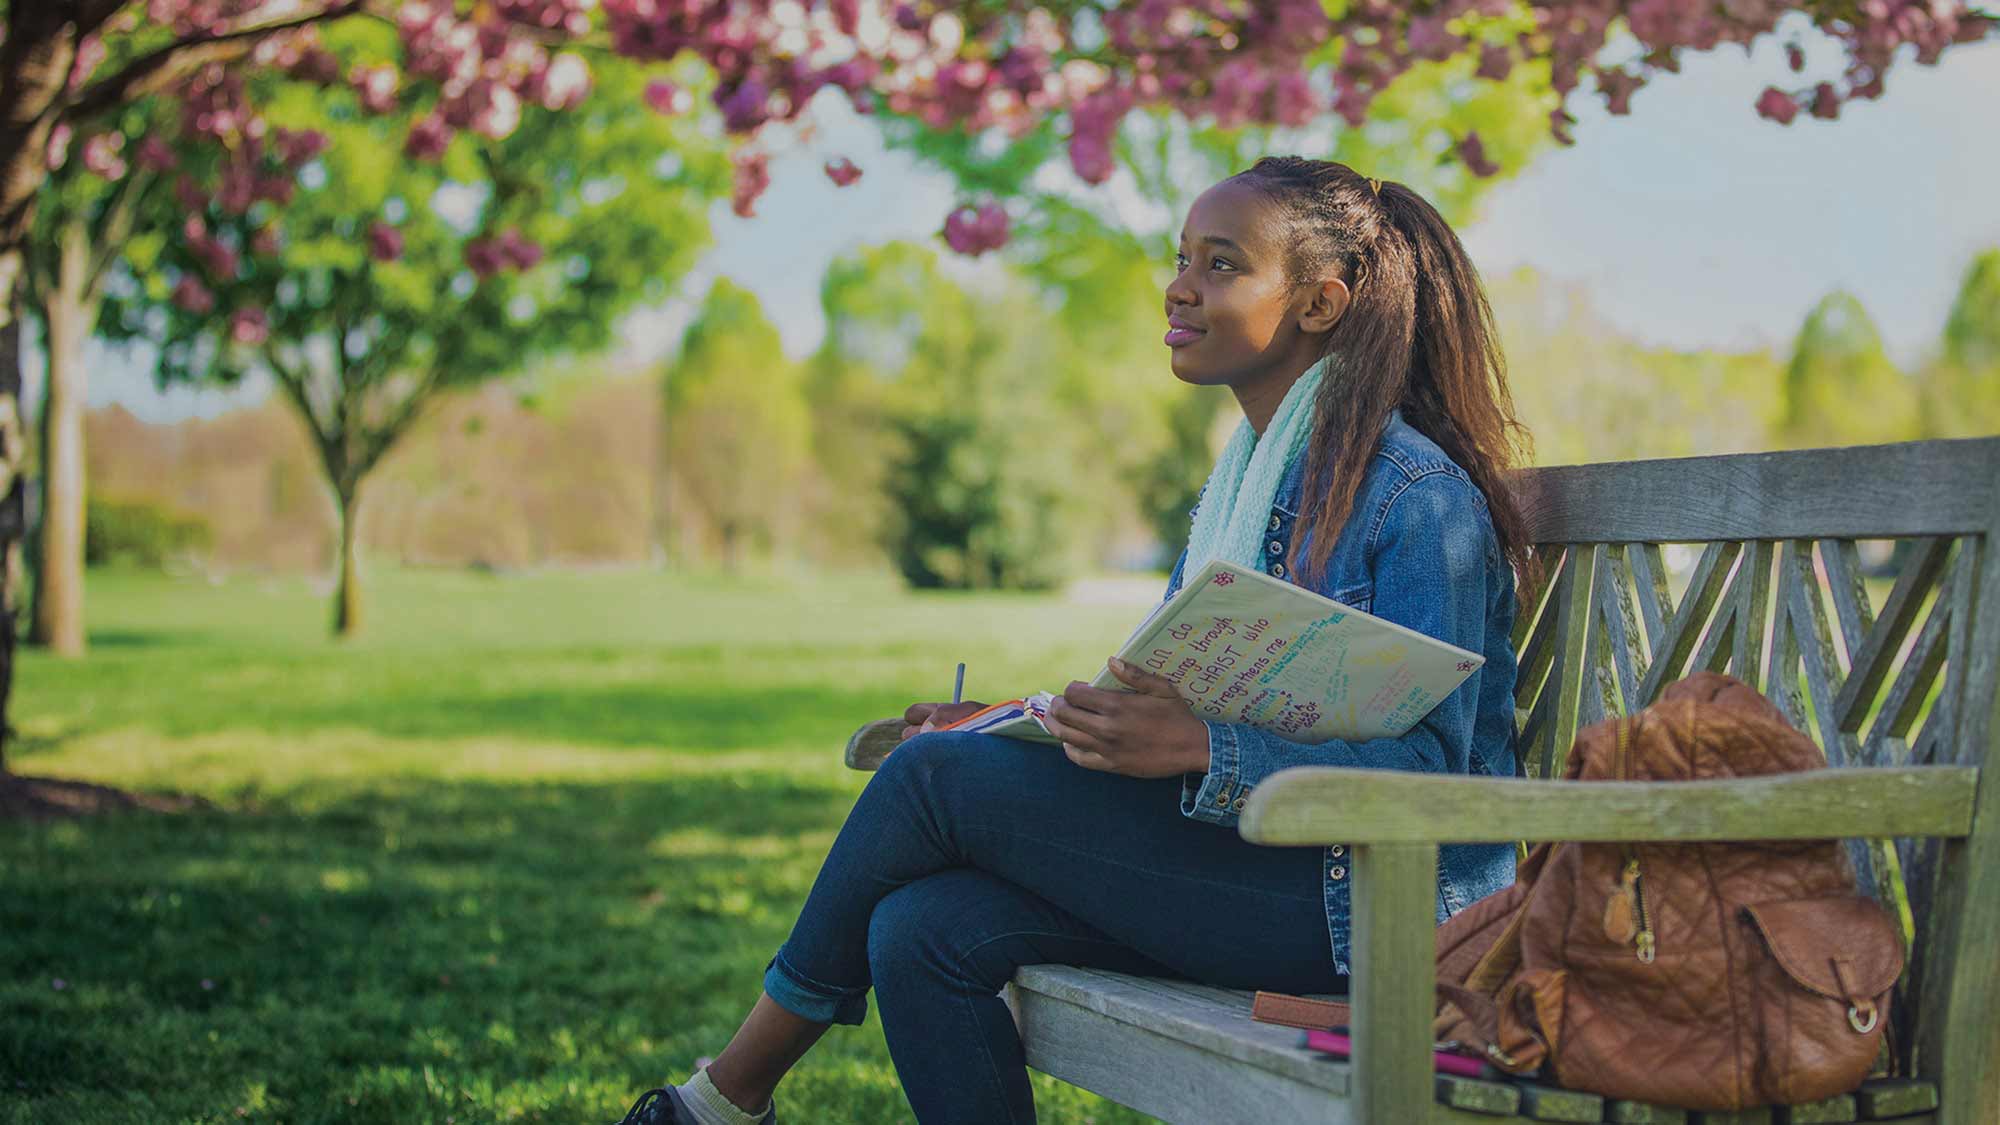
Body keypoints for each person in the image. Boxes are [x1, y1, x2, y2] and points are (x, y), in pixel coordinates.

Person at [614, 155, 1538, 1125]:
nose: (1177, 286)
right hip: (1250, 866)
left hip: (1366, 912)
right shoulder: (1246, 486)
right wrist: (1017, 722)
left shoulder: (1415, 499)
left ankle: (724, 1098)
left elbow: (1440, 774)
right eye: (1180, 257)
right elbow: (1170, 694)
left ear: (1317, 303)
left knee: (927, 779)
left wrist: (1200, 747)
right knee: (920, 927)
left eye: (1220, 265)